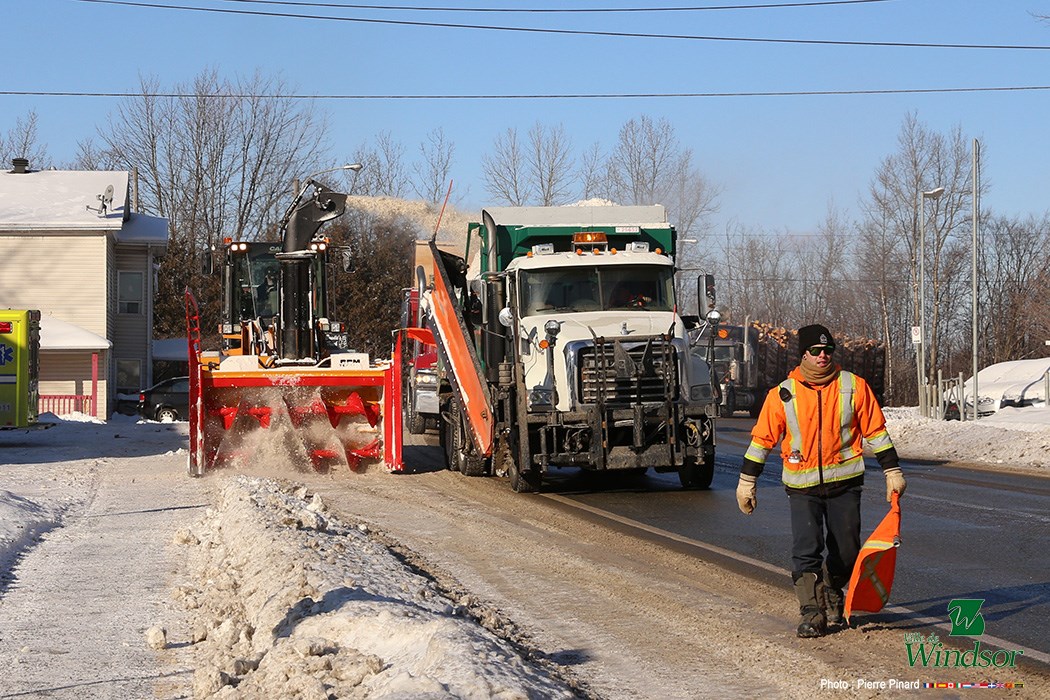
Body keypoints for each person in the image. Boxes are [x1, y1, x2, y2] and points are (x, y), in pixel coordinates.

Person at [735, 323, 906, 638]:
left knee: (848, 552)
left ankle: (829, 586)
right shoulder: (783, 394)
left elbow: (876, 432)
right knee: (807, 548)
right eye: (816, 350)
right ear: (804, 354)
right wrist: (747, 481)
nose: (823, 355)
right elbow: (762, 441)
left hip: (845, 484)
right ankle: (811, 612)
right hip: (802, 488)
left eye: (828, 350)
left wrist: (891, 470)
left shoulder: (853, 386)